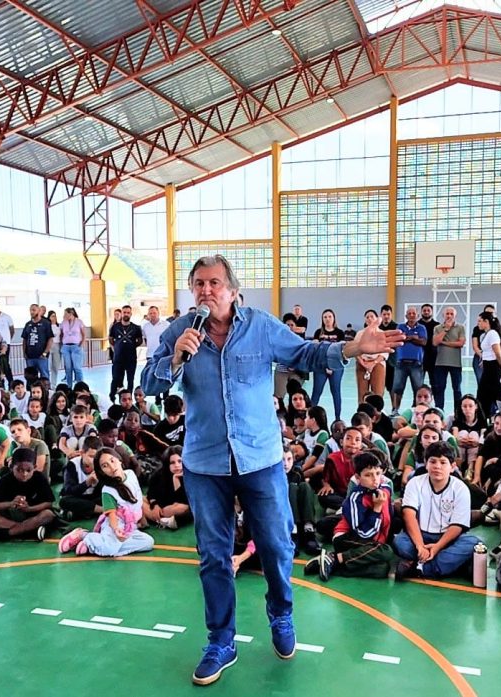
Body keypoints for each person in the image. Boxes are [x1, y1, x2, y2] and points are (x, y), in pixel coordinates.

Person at [140, 254, 402, 686]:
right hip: (205, 464)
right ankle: (221, 641)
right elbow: (149, 383)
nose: (207, 291)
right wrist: (175, 359)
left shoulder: (260, 326)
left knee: (278, 546)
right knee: (213, 557)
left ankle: (281, 615)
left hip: (259, 459)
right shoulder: (178, 333)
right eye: (199, 284)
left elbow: (306, 353)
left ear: (233, 290)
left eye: (215, 283)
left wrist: (354, 347)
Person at [393, 441, 478, 579]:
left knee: (472, 543)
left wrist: (437, 546)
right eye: (433, 461)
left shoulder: (461, 488)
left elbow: (457, 526)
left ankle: (420, 568)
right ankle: (450, 565)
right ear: (426, 464)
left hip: (448, 538)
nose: (437, 466)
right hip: (419, 536)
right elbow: (409, 515)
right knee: (400, 542)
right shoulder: (415, 483)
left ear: (452, 467)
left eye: (443, 462)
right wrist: (420, 546)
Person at [307, 451, 395, 581]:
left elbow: (388, 516)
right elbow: (363, 533)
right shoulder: (355, 498)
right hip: (346, 538)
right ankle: (335, 558)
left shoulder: (385, 489)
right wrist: (376, 509)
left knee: (381, 570)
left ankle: (329, 562)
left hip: (370, 540)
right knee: (386, 551)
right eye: (368, 475)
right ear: (358, 478)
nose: (375, 479)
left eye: (378, 473)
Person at [56, 447, 155, 557]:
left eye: (112, 461)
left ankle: (93, 546)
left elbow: (138, 497)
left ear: (119, 460)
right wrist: (116, 530)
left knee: (148, 542)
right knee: (109, 549)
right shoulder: (108, 491)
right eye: (105, 466)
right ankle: (85, 536)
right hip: (114, 526)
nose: (112, 467)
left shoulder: (131, 474)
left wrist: (142, 519)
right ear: (101, 472)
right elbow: (111, 514)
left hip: (129, 525)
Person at [0, 447, 56, 544]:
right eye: (19, 470)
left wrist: (29, 508)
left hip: (33, 515)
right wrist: (10, 504)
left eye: (29, 470)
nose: (24, 474)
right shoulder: (6, 480)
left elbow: (48, 503)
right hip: (11, 517)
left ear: (35, 467)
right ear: (12, 467)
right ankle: (28, 531)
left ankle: (2, 534)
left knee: (48, 514)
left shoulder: (39, 478)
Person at [310, 309, 346, 422]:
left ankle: (337, 418)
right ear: (322, 319)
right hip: (320, 366)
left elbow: (342, 351)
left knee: (336, 391)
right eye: (325, 317)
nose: (327, 319)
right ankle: (310, 416)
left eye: (330, 316)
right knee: (316, 391)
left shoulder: (340, 333)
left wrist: (331, 366)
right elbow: (314, 350)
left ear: (334, 318)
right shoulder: (318, 333)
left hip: (336, 367)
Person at [390, 307, 427, 414]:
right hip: (400, 363)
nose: (411, 315)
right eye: (409, 313)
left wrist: (407, 337)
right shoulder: (400, 326)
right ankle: (395, 409)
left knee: (417, 388)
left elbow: (423, 342)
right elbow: (398, 339)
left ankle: (417, 410)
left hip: (416, 363)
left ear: (417, 316)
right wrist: (414, 337)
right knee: (397, 387)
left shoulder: (422, 328)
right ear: (406, 316)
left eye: (414, 313)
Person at [431, 306, 465, 414]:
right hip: (440, 363)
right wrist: (446, 329)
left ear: (455, 316)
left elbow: (461, 343)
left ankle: (458, 412)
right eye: (447, 314)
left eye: (451, 314)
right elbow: (435, 342)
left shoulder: (460, 327)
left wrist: (444, 343)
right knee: (440, 388)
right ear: (443, 315)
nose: (449, 316)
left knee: (457, 389)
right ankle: (439, 411)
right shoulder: (437, 328)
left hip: (456, 363)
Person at [109, 304, 143, 402]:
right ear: (121, 313)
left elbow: (139, 340)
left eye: (128, 312)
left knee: (130, 379)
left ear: (131, 314)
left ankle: (129, 397)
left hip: (131, 358)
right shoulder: (115, 327)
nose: (126, 314)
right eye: (124, 312)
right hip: (118, 358)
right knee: (116, 378)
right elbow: (111, 339)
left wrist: (132, 346)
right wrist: (117, 346)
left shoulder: (136, 328)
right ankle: (112, 396)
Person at [475, 312, 501, 417]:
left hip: (493, 368)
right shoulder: (486, 334)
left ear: (486, 322)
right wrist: (483, 360)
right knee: (484, 395)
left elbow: (498, 353)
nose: (478, 323)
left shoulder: (492, 334)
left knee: (487, 394)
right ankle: (485, 416)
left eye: (480, 321)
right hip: (488, 367)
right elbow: (487, 351)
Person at [355, 309, 387, 401]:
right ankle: (362, 413)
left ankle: (376, 413)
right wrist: (363, 363)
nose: (369, 319)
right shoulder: (360, 334)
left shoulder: (382, 333)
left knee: (377, 393)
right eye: (367, 317)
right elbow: (356, 350)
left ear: (376, 319)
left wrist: (373, 363)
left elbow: (384, 353)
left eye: (372, 316)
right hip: (362, 364)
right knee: (362, 393)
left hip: (377, 364)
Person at [21, 304, 53, 382]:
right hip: (30, 356)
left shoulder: (46, 323)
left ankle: (46, 391)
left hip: (41, 356)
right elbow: (24, 339)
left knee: (44, 375)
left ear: (39, 311)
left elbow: (50, 339)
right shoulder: (28, 324)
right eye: (30, 310)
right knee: (30, 377)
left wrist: (45, 352)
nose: (31, 312)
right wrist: (24, 352)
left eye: (34, 310)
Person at [57, 307, 86, 388]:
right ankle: (69, 386)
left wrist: (81, 344)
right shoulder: (63, 322)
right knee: (68, 368)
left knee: (77, 368)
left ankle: (80, 386)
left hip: (76, 346)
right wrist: (61, 343)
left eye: (65, 314)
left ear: (71, 314)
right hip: (66, 347)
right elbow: (61, 334)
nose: (64, 315)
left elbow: (84, 334)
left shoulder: (79, 322)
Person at [47, 310, 63, 386]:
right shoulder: (47, 326)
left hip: (57, 346)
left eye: (55, 316)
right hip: (49, 346)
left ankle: (53, 384)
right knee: (48, 366)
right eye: (52, 316)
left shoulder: (59, 326)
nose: (54, 318)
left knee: (55, 366)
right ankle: (47, 383)